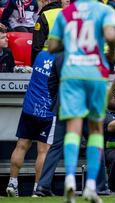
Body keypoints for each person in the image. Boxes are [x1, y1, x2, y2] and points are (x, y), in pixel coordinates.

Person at [47, 0, 115, 202]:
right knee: (96, 130)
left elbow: (52, 46)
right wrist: (112, 51)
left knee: (73, 129)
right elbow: (110, 36)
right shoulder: (105, 10)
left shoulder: (65, 13)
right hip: (94, 73)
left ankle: (70, 178)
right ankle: (90, 186)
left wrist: (70, 42)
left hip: (71, 75)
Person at [5, 51, 56, 197]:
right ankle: (37, 189)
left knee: (21, 146)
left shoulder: (40, 55)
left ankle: (12, 183)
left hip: (29, 108)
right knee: (43, 151)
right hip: (47, 112)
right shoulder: (62, 61)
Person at [31, 0, 70, 65]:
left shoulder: (46, 15)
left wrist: (34, 66)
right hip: (70, 60)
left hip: (48, 60)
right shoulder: (75, 14)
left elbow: (37, 46)